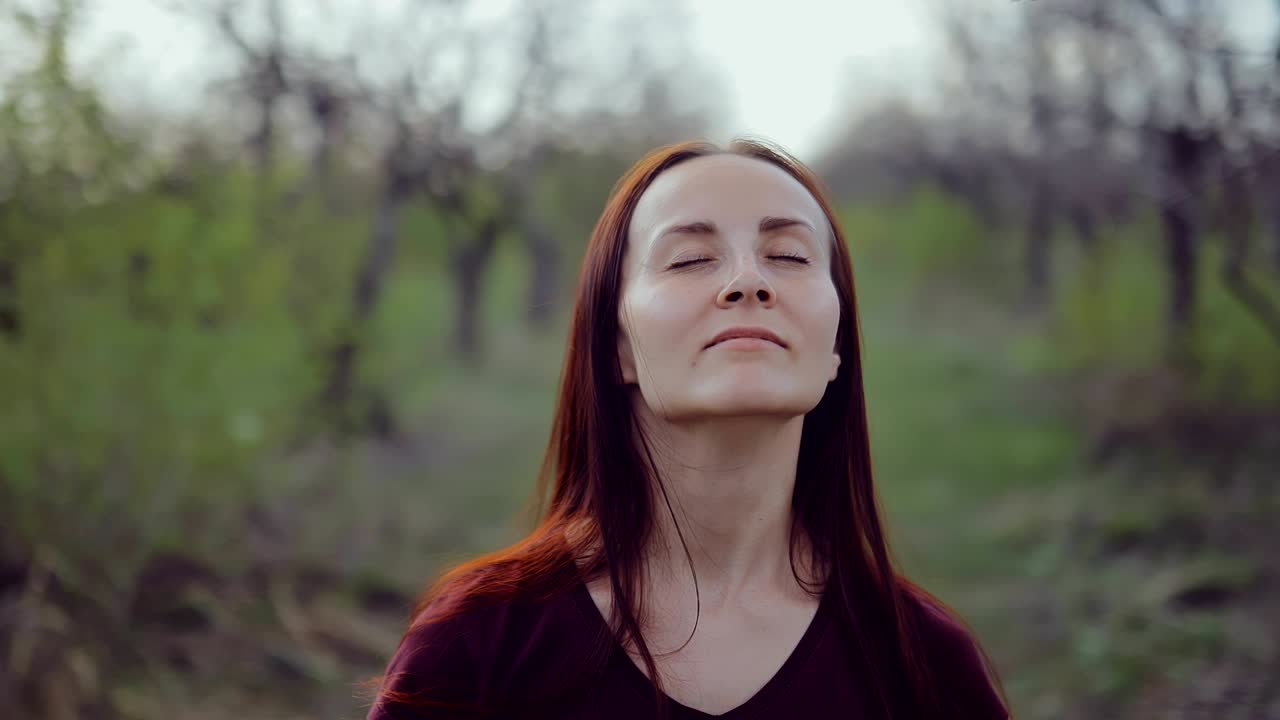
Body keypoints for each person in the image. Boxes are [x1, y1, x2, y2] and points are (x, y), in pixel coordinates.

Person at [365, 138, 1010, 719]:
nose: (748, 281)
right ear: (614, 347)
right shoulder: (474, 648)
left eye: (788, 255)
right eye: (690, 259)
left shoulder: (929, 666)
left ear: (836, 344)